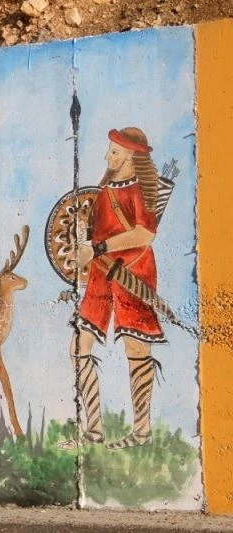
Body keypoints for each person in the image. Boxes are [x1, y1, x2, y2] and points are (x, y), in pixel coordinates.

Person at [65, 127, 165, 451]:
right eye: (110, 150)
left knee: (136, 349)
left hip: (132, 273)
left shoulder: (142, 191)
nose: (108, 157)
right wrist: (83, 238)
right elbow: (94, 236)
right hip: (100, 275)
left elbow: (144, 235)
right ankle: (93, 430)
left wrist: (98, 247)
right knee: (78, 347)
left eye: (115, 152)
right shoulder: (105, 191)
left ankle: (141, 433)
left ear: (132, 156)